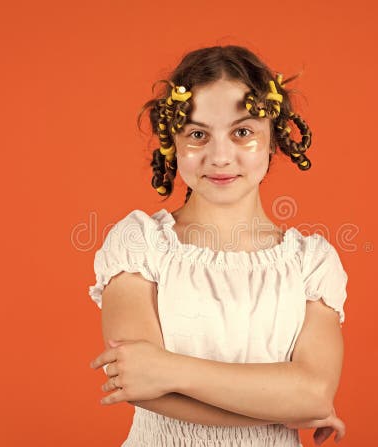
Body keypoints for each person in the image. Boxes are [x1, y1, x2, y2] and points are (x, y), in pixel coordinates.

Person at [88, 45, 349, 446]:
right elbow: (137, 381)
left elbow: (314, 393)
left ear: (272, 141)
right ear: (173, 142)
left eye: (242, 132)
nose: (220, 156)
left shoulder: (310, 264)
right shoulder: (140, 244)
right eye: (198, 134)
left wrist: (168, 370)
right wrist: (286, 404)